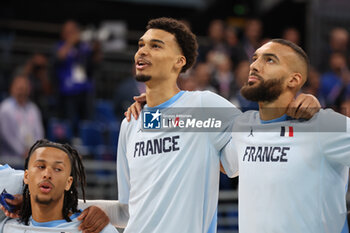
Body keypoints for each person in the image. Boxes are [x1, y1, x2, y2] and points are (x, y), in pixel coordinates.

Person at [118, 17, 320, 233]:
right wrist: (88, 210)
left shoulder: (203, 106)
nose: (142, 51)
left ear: (179, 61)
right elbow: (126, 211)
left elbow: (249, 152)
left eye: (155, 46)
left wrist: (301, 112)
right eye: (141, 45)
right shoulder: (130, 123)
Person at [220, 39, 350, 232]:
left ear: (294, 80)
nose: (254, 65)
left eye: (270, 60)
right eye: (254, 58)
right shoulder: (243, 125)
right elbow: (223, 164)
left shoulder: (323, 124)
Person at [0, 139, 118, 233]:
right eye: (41, 166)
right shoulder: (7, 227)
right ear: (26, 176)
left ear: (68, 182)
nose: (47, 174)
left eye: (57, 169)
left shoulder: (95, 229)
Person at [0, 76, 44, 164]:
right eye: (19, 88)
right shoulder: (5, 108)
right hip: (11, 158)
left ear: (29, 90)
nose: (22, 91)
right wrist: (22, 152)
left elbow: (39, 132)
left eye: (25, 88)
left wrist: (34, 150)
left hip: (32, 156)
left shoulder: (33, 108)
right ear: (12, 89)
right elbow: (7, 136)